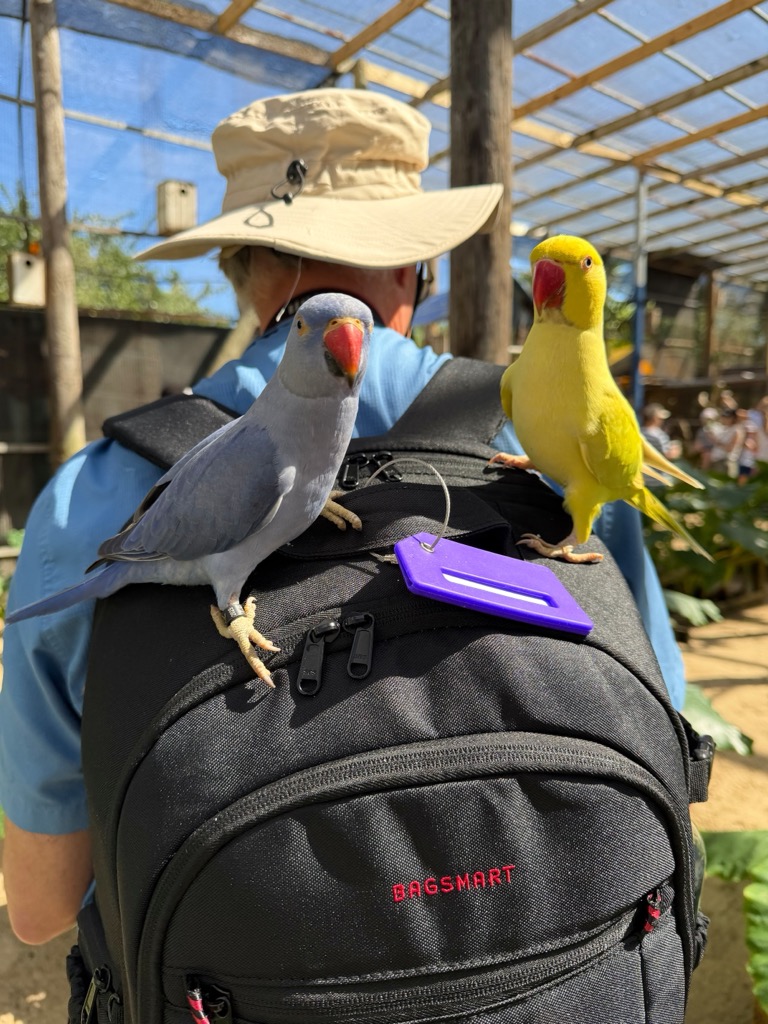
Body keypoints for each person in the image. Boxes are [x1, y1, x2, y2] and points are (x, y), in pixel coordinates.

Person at [0, 88, 688, 946]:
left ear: (243, 274)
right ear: (416, 270)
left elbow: (38, 909)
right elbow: (667, 757)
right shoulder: (550, 443)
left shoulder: (84, 496)